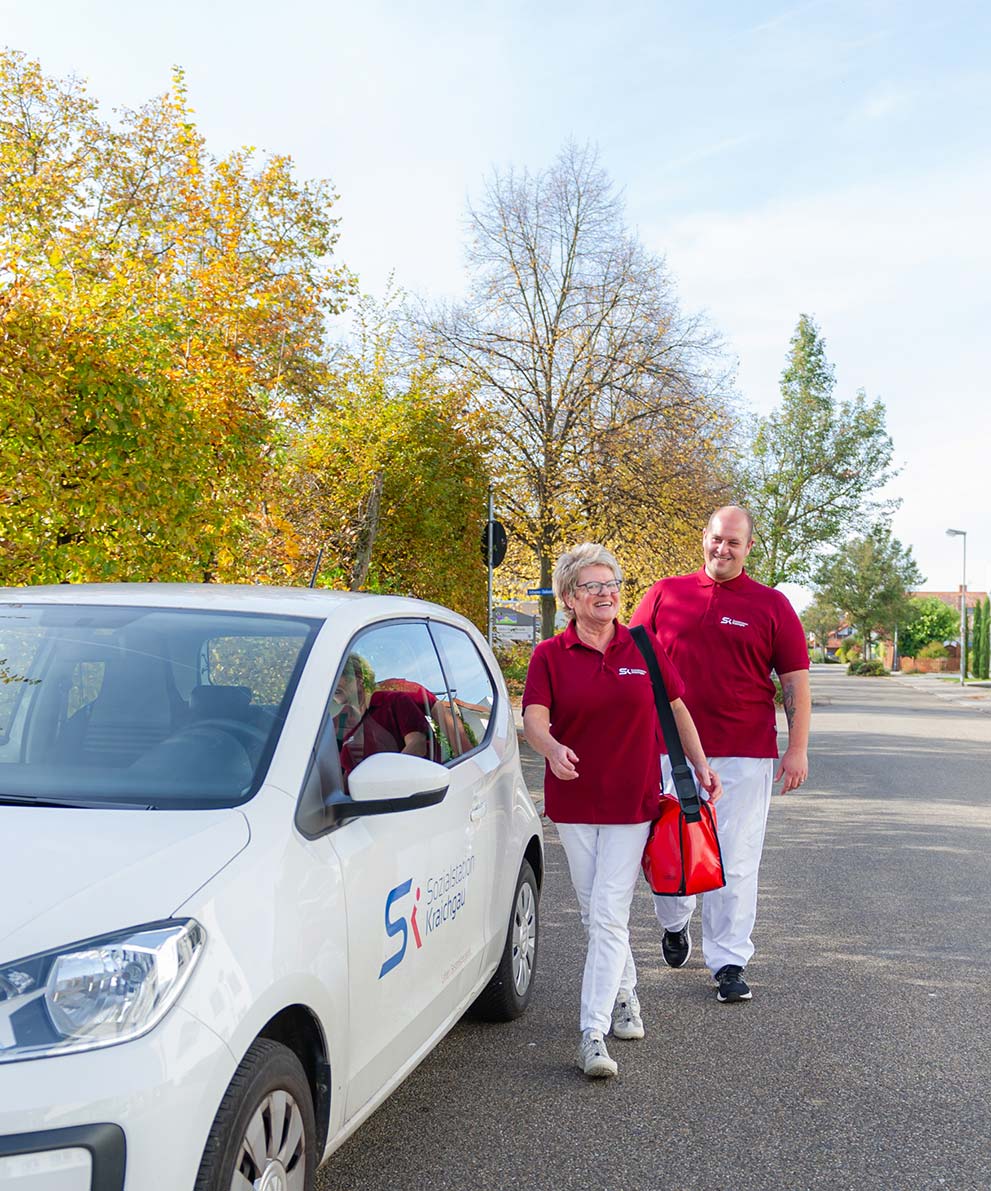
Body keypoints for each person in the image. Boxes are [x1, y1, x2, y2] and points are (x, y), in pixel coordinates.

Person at [522, 543, 721, 1079]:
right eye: (593, 585)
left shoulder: (644, 647)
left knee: (608, 913)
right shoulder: (549, 656)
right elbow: (534, 721)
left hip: (633, 802)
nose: (607, 593)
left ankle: (592, 1031)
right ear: (569, 597)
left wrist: (700, 767)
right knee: (595, 915)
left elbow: (677, 709)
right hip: (574, 801)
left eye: (612, 584)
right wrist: (550, 749)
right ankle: (628, 995)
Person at [629, 505, 811, 1004]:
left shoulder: (771, 605)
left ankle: (729, 961)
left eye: (734, 541)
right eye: (716, 538)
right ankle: (674, 922)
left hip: (744, 754)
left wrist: (796, 749)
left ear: (749, 547)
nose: (722, 548)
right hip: (668, 751)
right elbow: (631, 657)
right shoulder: (666, 593)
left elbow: (794, 680)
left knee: (736, 857)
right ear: (704, 539)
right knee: (669, 851)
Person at [333, 655, 430, 778]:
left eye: (337, 676)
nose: (332, 684)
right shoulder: (343, 728)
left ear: (359, 679)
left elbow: (417, 746)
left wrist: (384, 779)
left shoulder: (395, 701)